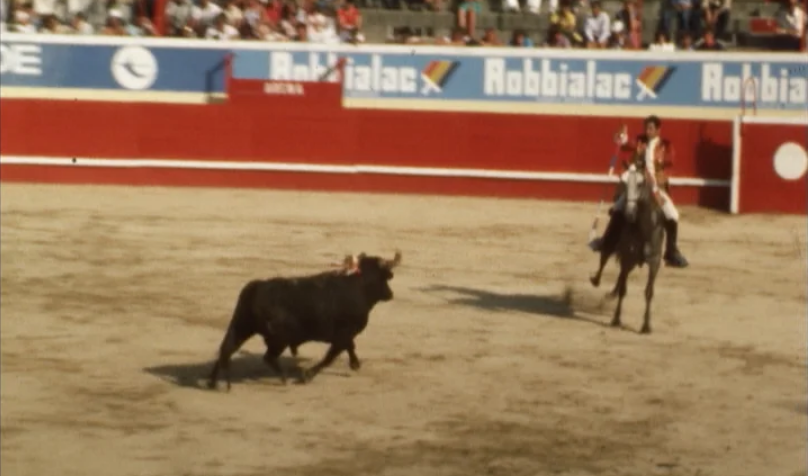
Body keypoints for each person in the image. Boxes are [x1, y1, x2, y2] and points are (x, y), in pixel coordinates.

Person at [588, 115, 689, 268]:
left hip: (656, 185)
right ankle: (608, 241)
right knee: (619, 207)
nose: (647, 131)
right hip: (639, 180)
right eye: (646, 128)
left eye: (651, 128)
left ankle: (671, 252)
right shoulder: (640, 141)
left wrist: (661, 178)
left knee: (673, 214)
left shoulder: (666, 146)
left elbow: (670, 165)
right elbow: (625, 144)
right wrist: (622, 137)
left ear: (658, 130)